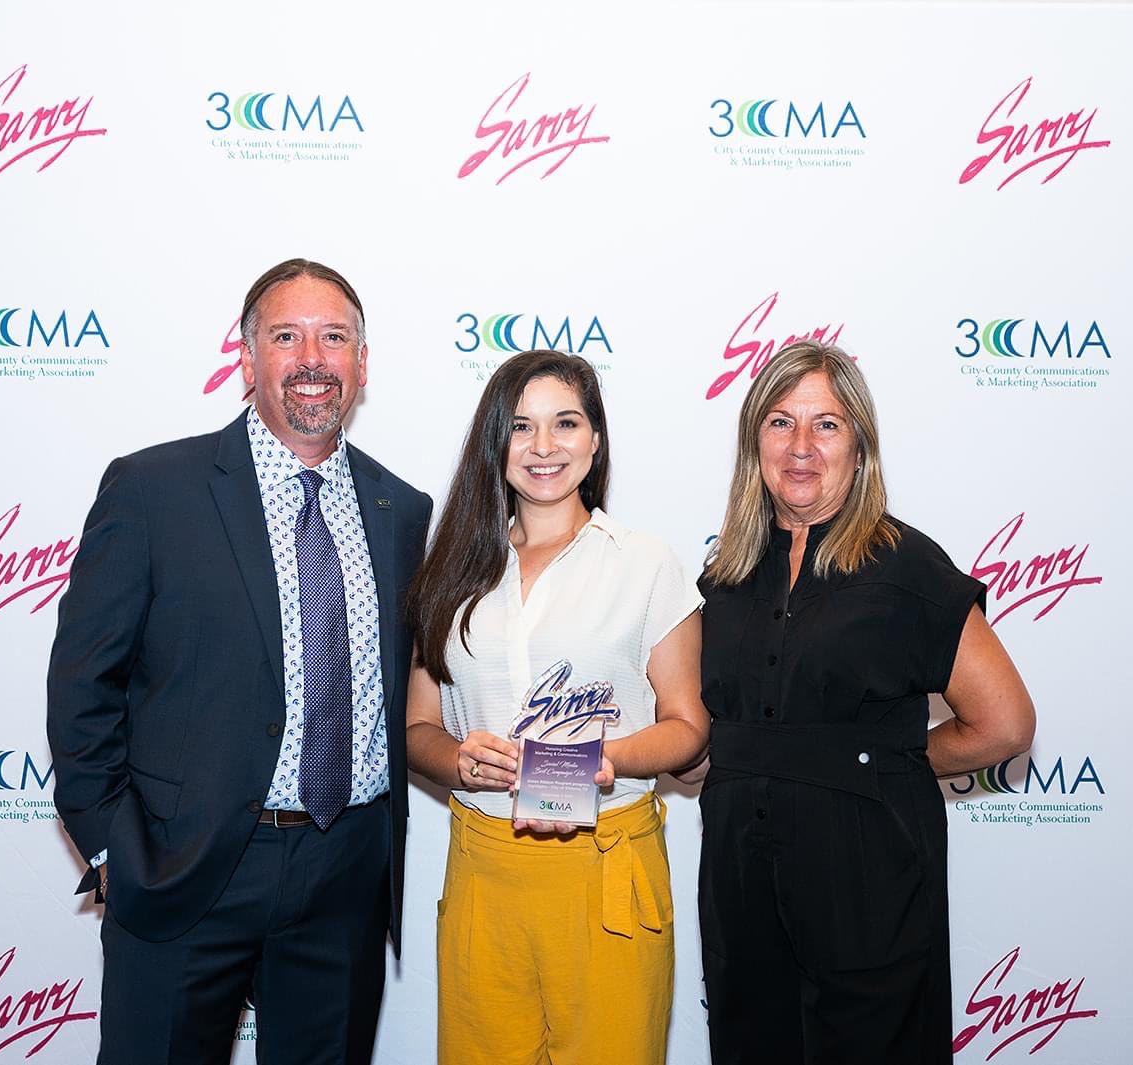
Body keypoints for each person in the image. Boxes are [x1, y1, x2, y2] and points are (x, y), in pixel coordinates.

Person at [46, 258, 432, 1065]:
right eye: (286, 336)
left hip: (344, 870)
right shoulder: (155, 489)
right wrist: (117, 850)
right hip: (187, 871)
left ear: (363, 363)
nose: (312, 358)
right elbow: (84, 682)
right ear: (247, 358)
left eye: (335, 337)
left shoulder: (401, 508)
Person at [691, 341, 1035, 1065]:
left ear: (860, 446)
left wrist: (886, 760)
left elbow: (1005, 723)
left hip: (868, 881)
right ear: (755, 443)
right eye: (781, 423)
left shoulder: (906, 565)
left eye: (827, 425)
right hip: (741, 885)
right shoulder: (723, 575)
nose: (802, 447)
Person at [404, 350, 709, 1065]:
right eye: (521, 427)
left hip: (605, 863)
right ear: (495, 443)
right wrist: (456, 757)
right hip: (483, 870)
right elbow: (418, 725)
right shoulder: (452, 566)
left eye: (565, 423)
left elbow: (689, 726)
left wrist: (608, 758)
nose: (544, 447)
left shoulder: (644, 562)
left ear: (595, 439)